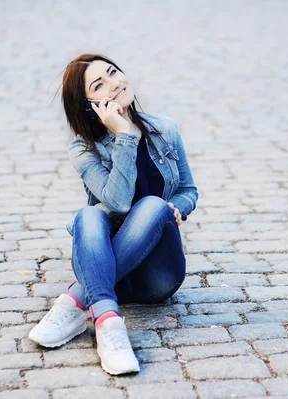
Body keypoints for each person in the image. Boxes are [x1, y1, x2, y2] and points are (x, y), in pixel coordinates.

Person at [28, 54, 199, 375]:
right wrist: (125, 136)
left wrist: (176, 207)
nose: (114, 83)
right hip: (105, 269)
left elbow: (188, 190)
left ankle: (76, 300)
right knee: (88, 217)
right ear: (89, 105)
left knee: (153, 205)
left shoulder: (166, 129)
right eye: (99, 85)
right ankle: (108, 326)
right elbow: (118, 202)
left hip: (157, 276)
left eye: (113, 72)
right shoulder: (83, 149)